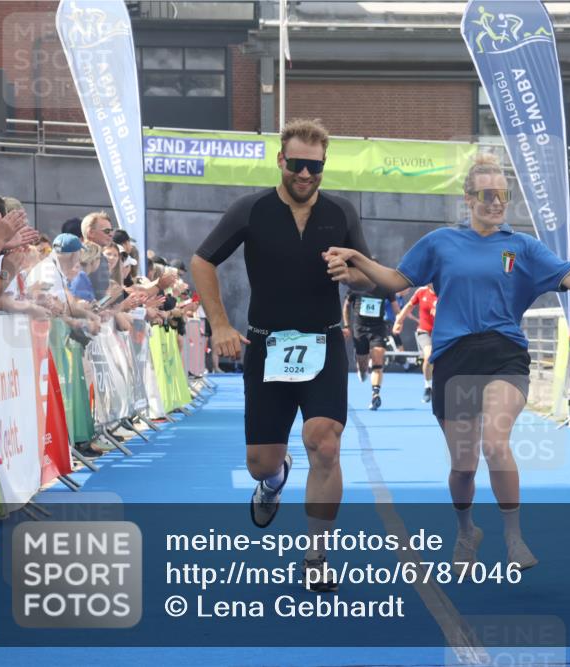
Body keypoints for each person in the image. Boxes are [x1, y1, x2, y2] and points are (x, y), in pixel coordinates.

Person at [324, 154, 570, 570]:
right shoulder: (441, 242)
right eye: (487, 195)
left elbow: (569, 274)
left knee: (495, 444)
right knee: (463, 467)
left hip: (504, 353)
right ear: (468, 199)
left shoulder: (521, 247)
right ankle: (466, 530)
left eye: (503, 195)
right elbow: (394, 280)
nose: (497, 203)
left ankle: (515, 539)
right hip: (454, 358)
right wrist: (358, 257)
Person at [191, 118, 375, 591]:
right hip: (268, 346)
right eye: (297, 164)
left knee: (325, 443)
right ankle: (274, 481)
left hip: (325, 342)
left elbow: (368, 277)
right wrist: (220, 324)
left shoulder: (341, 213)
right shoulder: (250, 210)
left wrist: (350, 271)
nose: (306, 174)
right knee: (260, 461)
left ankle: (317, 556)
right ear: (281, 161)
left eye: (315, 166)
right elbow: (202, 260)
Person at [342, 287, 398, 410]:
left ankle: (375, 394)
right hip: (360, 329)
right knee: (363, 365)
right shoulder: (355, 287)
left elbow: (396, 307)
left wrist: (398, 321)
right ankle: (361, 368)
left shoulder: (385, 287)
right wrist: (346, 325)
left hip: (378, 329)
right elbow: (346, 306)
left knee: (377, 358)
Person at [394, 283, 437, 403]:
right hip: (424, 332)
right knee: (429, 356)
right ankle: (428, 386)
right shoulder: (421, 291)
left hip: (443, 333)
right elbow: (408, 306)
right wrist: (398, 321)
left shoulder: (446, 291)